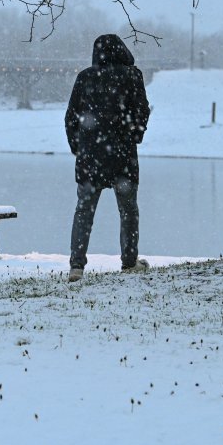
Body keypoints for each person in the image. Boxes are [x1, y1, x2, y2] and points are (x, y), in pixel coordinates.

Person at [64, 34, 150, 282]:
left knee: (84, 212)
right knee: (128, 211)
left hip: (91, 157)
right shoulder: (132, 76)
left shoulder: (85, 77)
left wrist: (78, 148)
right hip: (122, 157)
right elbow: (141, 111)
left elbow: (71, 117)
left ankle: (77, 266)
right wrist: (133, 135)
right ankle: (129, 261)